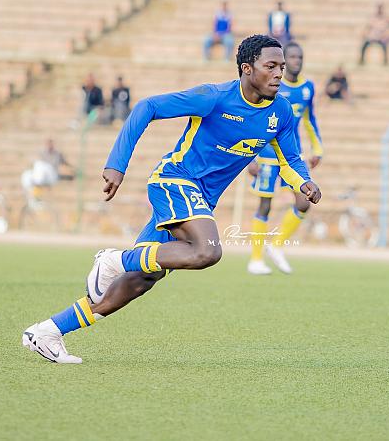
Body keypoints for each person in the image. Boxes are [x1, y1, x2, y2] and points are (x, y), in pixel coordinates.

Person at [21, 35, 322, 364]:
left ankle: (48, 331)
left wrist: (304, 182)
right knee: (207, 251)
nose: (279, 73)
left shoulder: (281, 111)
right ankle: (113, 259)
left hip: (200, 201)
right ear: (247, 69)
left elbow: (290, 160)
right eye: (271, 66)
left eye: (281, 67)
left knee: (140, 280)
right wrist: (117, 164)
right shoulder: (214, 97)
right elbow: (147, 107)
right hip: (175, 181)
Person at [247, 41, 323, 275]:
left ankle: (277, 245)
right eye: (292, 57)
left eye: (300, 57)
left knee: (303, 202)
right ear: (283, 61)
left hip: (292, 155)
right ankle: (255, 259)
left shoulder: (307, 88)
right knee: (265, 206)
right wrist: (251, 157)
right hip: (267, 155)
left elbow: (309, 120)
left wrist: (317, 149)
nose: (296, 61)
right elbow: (255, 119)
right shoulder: (272, 86)